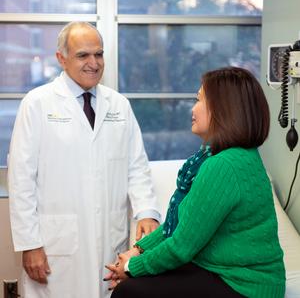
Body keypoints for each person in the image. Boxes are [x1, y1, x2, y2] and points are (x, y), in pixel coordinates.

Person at [8, 21, 160, 298]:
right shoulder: (37, 103)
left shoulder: (119, 105)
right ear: (61, 59)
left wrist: (147, 212)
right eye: (83, 55)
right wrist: (30, 245)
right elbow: (21, 180)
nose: (94, 63)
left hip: (110, 239)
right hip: (56, 245)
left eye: (98, 54)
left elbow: (136, 167)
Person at [105, 67, 286, 298]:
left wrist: (131, 268)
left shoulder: (223, 165)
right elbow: (183, 225)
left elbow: (181, 246)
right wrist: (138, 250)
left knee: (129, 291)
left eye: (199, 100)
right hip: (228, 273)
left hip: (247, 286)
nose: (193, 108)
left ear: (224, 109)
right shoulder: (233, 156)